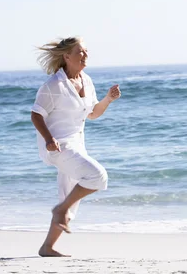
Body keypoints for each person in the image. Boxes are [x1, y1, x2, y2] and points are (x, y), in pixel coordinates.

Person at [31, 36, 121, 257]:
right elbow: (36, 116)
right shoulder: (53, 86)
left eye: (86, 51)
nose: (85, 55)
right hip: (58, 146)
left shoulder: (86, 81)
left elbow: (92, 114)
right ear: (67, 56)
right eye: (80, 51)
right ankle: (60, 210)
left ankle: (47, 247)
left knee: (69, 196)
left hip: (77, 145)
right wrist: (49, 140)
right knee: (98, 177)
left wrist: (108, 99)